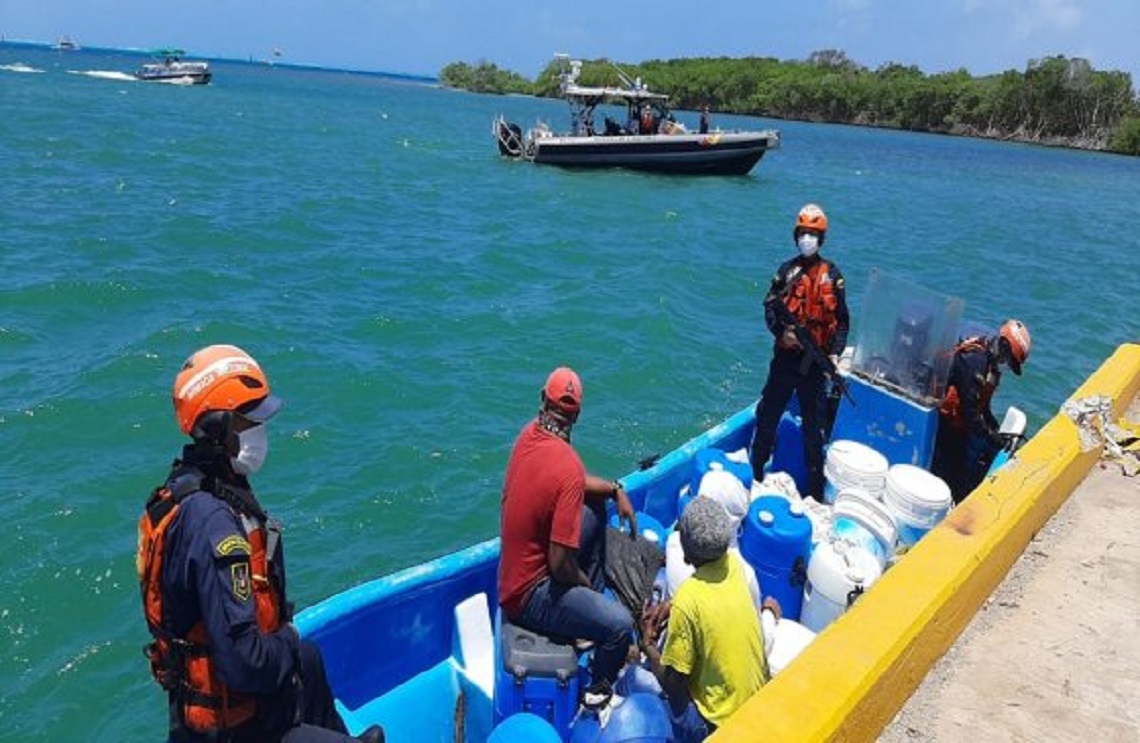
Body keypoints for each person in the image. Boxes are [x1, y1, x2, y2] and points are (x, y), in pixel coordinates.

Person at [138, 344, 383, 743]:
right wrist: (286, 639)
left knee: (309, 659)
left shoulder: (190, 489)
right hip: (237, 730)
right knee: (297, 649)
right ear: (217, 430)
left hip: (230, 705)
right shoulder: (214, 525)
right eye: (248, 422)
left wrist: (291, 645)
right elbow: (244, 662)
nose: (260, 432)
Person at [498, 366, 638, 707]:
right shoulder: (569, 467)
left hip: (512, 575)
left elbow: (572, 481)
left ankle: (584, 620)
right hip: (527, 597)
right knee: (621, 626)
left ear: (542, 399)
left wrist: (614, 489)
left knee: (596, 506)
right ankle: (597, 690)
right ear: (577, 415)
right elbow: (560, 565)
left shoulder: (527, 436)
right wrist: (585, 587)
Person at [638, 496, 773, 741]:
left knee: (638, 685)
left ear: (687, 550)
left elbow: (673, 685)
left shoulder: (688, 599)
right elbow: (711, 598)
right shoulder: (735, 566)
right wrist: (671, 605)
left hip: (715, 724)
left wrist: (648, 646)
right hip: (754, 705)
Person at [749, 203, 850, 501]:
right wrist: (782, 333)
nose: (807, 239)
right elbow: (770, 308)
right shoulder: (786, 271)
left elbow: (843, 320)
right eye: (803, 233)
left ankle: (815, 492)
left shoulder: (833, 274)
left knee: (814, 429)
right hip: (785, 360)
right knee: (768, 415)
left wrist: (835, 354)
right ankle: (755, 474)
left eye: (813, 234)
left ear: (821, 238)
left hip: (816, 365)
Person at [932, 319, 1032, 503]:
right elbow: (970, 413)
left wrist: (994, 429)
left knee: (979, 447)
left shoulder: (990, 361)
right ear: (1003, 346)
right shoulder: (974, 361)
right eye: (1008, 360)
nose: (1006, 364)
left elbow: (982, 406)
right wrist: (991, 436)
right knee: (954, 476)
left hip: (960, 420)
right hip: (945, 423)